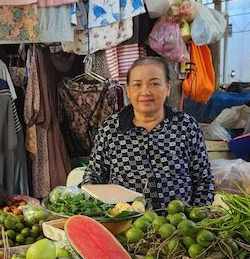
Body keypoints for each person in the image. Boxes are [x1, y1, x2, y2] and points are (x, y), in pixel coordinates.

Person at [84, 57, 215, 209]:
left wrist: (197, 218)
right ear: (128, 90)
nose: (145, 91)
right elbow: (93, 175)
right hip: (125, 225)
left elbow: (203, 180)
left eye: (154, 83)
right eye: (137, 85)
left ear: (168, 88)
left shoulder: (186, 126)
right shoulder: (111, 128)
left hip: (180, 225)